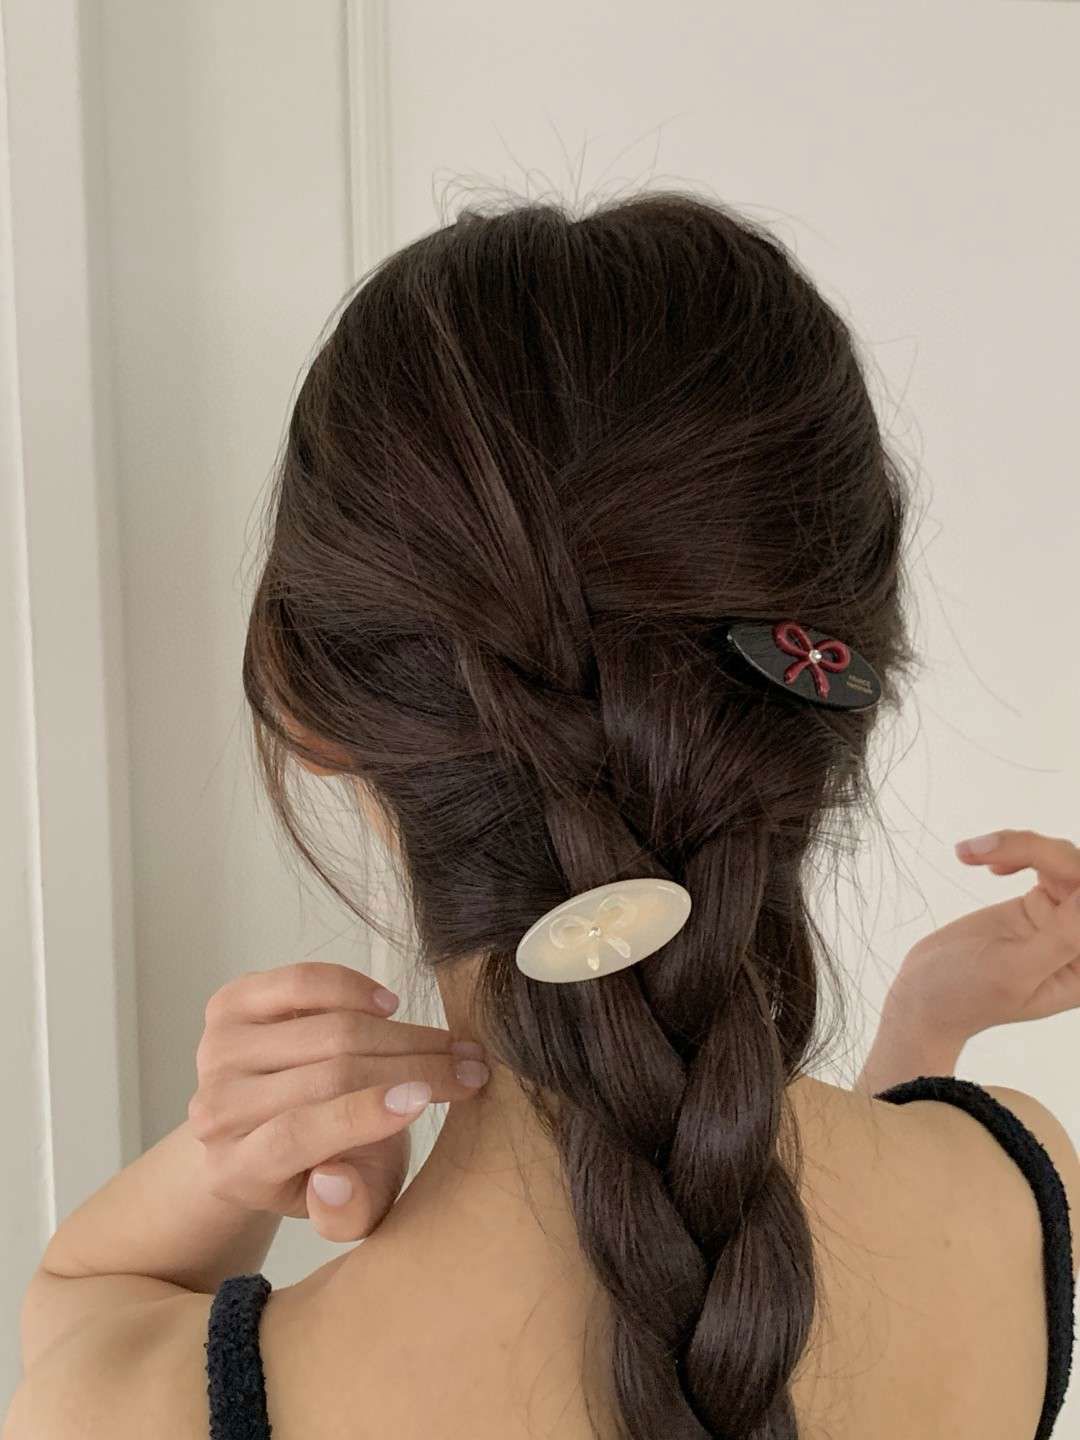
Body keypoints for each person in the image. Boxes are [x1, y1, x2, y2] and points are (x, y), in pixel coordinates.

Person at [7, 191, 1078, 1440]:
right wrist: (926, 1032)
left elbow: (80, 1307)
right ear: (832, 692)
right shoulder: (1020, 1196)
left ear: (308, 705)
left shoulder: (137, 1409)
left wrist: (221, 1161)